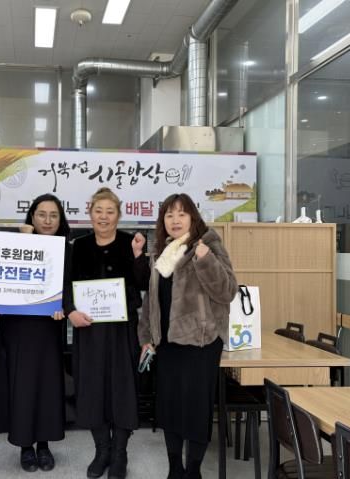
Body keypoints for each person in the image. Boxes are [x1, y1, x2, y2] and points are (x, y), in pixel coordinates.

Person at [138, 193, 238, 479]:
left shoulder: (208, 244)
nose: (175, 220)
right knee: (169, 408)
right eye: (169, 215)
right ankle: (175, 469)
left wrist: (206, 260)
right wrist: (146, 337)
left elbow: (227, 291)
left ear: (193, 217)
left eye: (181, 214)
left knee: (196, 410)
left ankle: (193, 470)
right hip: (167, 343)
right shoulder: (162, 252)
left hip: (201, 343)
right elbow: (151, 301)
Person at [64, 187, 148, 479]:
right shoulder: (78, 246)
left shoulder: (130, 242)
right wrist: (70, 311)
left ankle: (120, 453)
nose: (103, 217)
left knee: (123, 388)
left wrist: (138, 256)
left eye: (109, 211)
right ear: (90, 213)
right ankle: (102, 450)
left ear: (118, 215)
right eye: (98, 211)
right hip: (89, 330)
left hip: (123, 330)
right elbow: (65, 285)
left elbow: (144, 283)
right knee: (92, 388)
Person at [0, 193, 70, 472]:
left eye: (53, 215)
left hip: (48, 329)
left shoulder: (66, 250)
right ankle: (25, 446)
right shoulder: (14, 245)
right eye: (42, 214)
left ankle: (43, 445)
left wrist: (65, 307)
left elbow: (71, 287)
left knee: (47, 387)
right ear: (32, 216)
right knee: (20, 386)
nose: (47, 220)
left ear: (60, 219)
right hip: (17, 329)